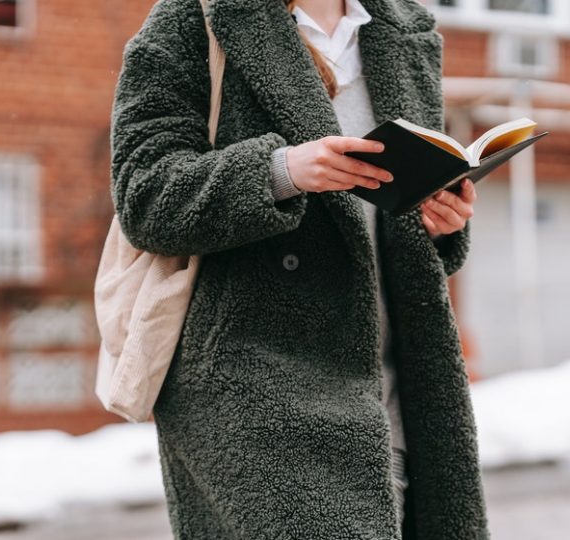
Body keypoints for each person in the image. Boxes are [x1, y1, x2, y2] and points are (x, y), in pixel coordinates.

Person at [109, 0, 488, 537]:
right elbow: (144, 196)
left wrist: (440, 223)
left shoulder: (403, 28)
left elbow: (391, 215)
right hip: (257, 387)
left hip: (394, 387)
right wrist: (281, 172)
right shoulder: (196, 18)